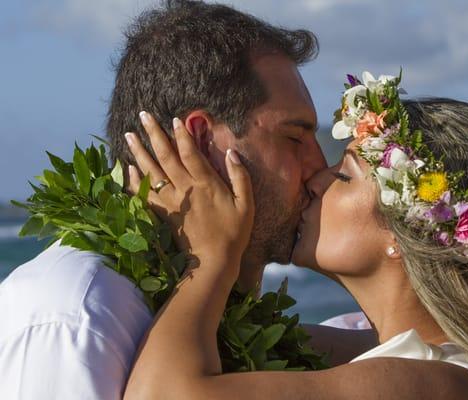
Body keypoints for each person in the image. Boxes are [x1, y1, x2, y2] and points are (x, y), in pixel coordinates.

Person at [122, 90, 468, 399]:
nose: (318, 178)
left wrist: (212, 257)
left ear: (405, 235)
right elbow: (224, 343)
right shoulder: (372, 350)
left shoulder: (432, 384)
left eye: (344, 176)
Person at [0, 1, 347, 398]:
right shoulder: (74, 311)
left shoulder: (228, 306)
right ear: (199, 141)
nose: (320, 167)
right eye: (293, 137)